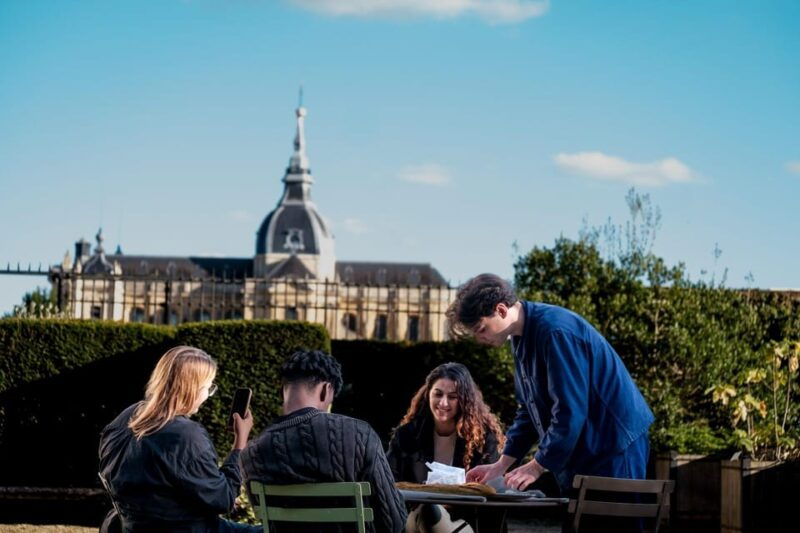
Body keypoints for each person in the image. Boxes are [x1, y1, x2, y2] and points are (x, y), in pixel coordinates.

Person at [453, 274, 654, 495]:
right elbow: (529, 413)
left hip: (614, 445)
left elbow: (570, 410)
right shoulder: (521, 338)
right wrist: (501, 465)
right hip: (586, 449)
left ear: (501, 310)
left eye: (481, 329)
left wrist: (537, 466)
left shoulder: (554, 331)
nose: (480, 339)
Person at [240, 349, 407, 533]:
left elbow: (267, 523)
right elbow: (394, 522)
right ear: (326, 390)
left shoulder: (251, 452)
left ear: (282, 392)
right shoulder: (360, 434)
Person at [98, 345, 260, 533]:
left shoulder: (123, 420)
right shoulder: (186, 435)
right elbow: (223, 499)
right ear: (192, 389)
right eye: (208, 388)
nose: (208, 396)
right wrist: (240, 442)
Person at [387, 362, 505, 533]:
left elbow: (490, 487)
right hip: (416, 516)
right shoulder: (407, 435)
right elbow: (389, 478)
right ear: (428, 395)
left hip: (466, 520)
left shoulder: (484, 438)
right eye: (438, 394)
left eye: (452, 397)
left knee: (432, 515)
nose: (443, 403)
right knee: (427, 512)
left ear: (465, 400)